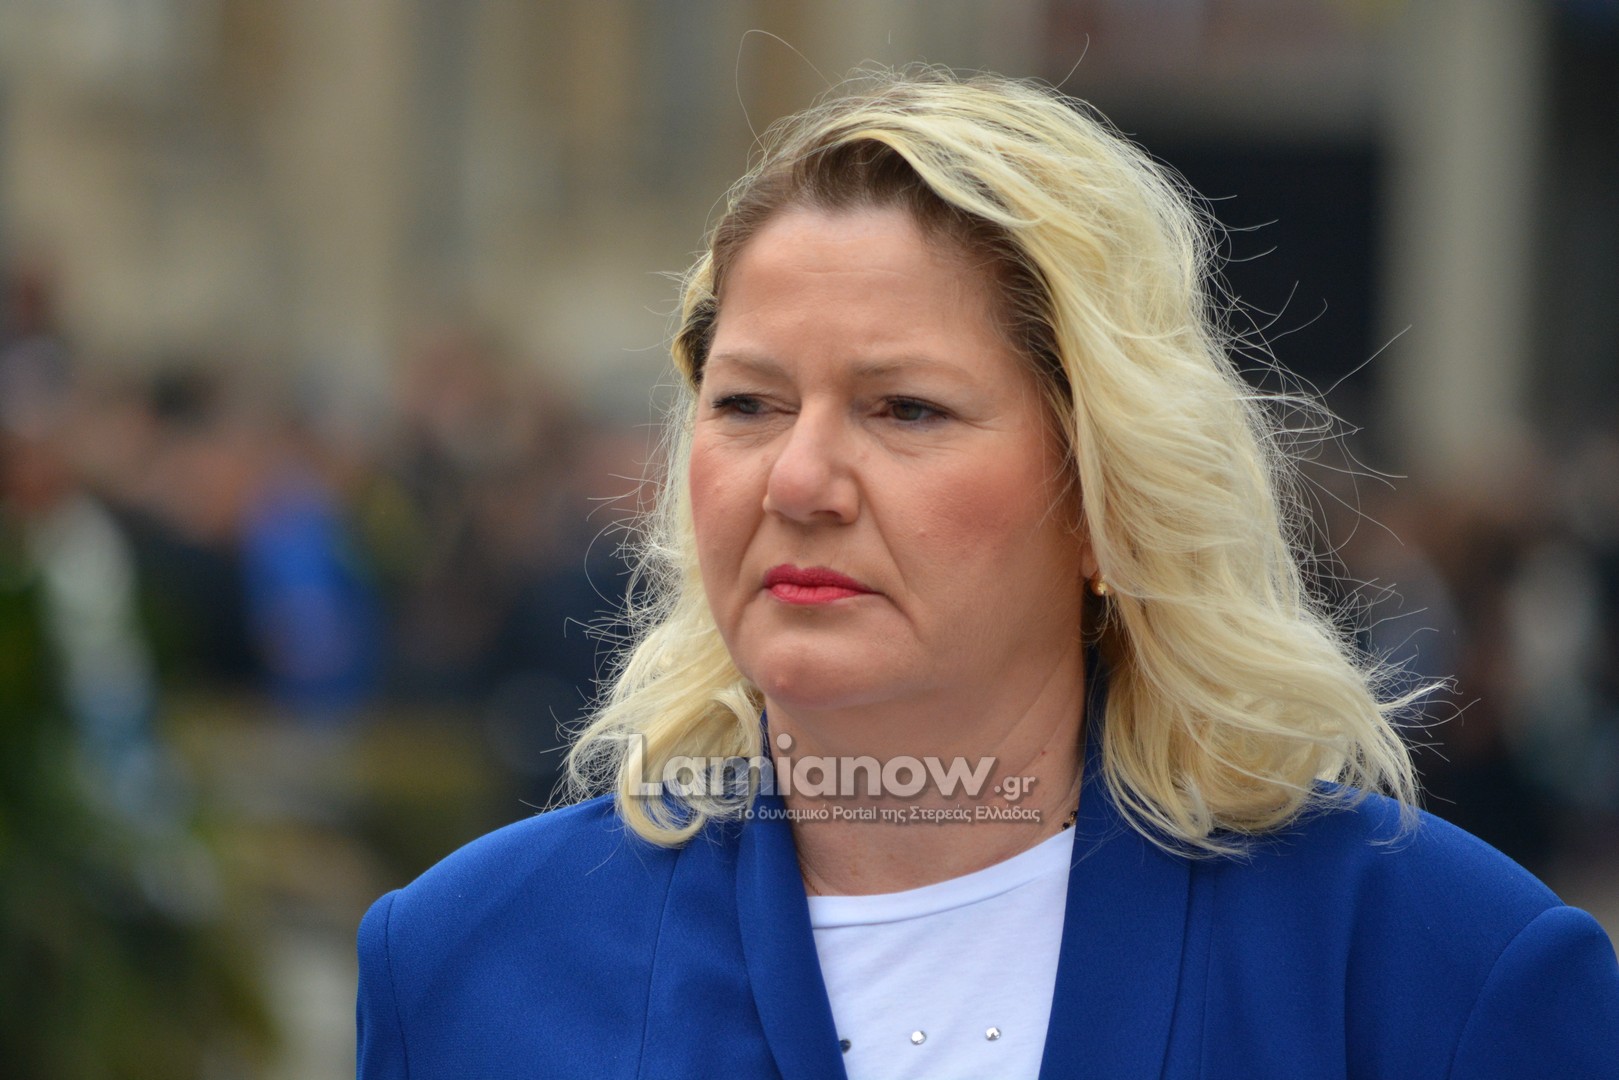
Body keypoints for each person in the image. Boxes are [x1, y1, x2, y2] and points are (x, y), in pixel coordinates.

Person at [356, 70, 1619, 1079]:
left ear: (1105, 500)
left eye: (902, 408)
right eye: (746, 403)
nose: (799, 480)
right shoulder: (468, 960)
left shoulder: (1430, 967)